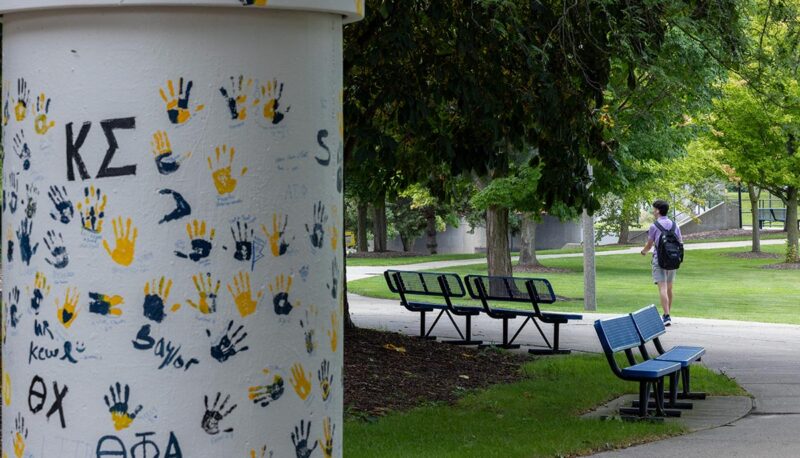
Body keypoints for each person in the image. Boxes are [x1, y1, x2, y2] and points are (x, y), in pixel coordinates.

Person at [640, 200, 682, 326]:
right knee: (669, 288)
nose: (653, 211)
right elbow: (680, 242)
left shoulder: (654, 226)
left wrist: (643, 251)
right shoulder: (675, 225)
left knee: (662, 288)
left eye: (654, 209)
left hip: (659, 259)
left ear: (658, 210)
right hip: (672, 259)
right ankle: (667, 314)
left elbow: (649, 244)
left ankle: (666, 315)